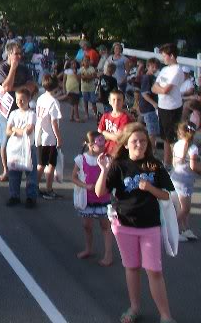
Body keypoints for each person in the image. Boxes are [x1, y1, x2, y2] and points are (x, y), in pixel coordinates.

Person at [96, 124, 175, 323]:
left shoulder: (154, 165)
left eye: (142, 141)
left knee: (154, 270)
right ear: (126, 144)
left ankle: (165, 315)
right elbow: (100, 192)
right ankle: (134, 308)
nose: (138, 144)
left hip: (150, 226)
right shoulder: (118, 165)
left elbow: (167, 195)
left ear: (148, 143)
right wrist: (104, 170)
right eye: (134, 141)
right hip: (124, 225)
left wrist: (150, 188)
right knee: (131, 268)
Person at [0, 40, 38, 183]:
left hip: (23, 109)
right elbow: (6, 87)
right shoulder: (1, 68)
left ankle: (23, 167)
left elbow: (32, 87)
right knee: (6, 141)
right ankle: (6, 170)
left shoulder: (25, 69)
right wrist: (13, 68)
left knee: (25, 140)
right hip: (6, 111)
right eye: (16, 54)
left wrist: (17, 88)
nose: (19, 57)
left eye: (21, 54)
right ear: (9, 54)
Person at [72, 131, 114, 266]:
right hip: (87, 198)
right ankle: (88, 248)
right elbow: (73, 177)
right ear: (90, 145)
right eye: (100, 145)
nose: (103, 148)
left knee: (105, 226)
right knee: (87, 225)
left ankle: (108, 255)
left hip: (103, 197)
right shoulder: (80, 159)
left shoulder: (106, 159)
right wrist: (85, 185)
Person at [151, 43, 184, 167]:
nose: (163, 58)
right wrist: (161, 88)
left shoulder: (177, 70)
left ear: (171, 56)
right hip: (162, 106)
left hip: (172, 108)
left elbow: (166, 90)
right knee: (165, 137)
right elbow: (154, 87)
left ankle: (176, 164)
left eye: (164, 56)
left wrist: (161, 88)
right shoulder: (165, 70)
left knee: (172, 139)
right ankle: (167, 163)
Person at [5, 87, 38, 208]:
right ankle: (14, 195)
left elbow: (28, 131)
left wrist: (14, 129)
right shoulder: (13, 113)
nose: (20, 102)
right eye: (18, 100)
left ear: (28, 99)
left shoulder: (31, 114)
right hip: (15, 147)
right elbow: (7, 131)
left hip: (28, 147)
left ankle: (31, 197)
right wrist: (16, 130)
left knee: (30, 173)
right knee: (14, 172)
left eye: (22, 100)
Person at [170, 121, 200, 242]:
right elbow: (193, 166)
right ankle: (173, 230)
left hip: (176, 177)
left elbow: (173, 162)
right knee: (185, 208)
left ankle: (185, 228)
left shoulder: (177, 144)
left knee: (180, 207)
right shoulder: (193, 148)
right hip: (185, 180)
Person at [36, 74, 63, 200]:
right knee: (51, 164)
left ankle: (34, 186)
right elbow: (54, 123)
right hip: (50, 137)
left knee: (41, 163)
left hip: (40, 134)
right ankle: (48, 189)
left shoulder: (41, 98)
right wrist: (59, 137)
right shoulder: (54, 102)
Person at [99, 90, 131, 156]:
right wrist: (109, 135)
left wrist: (104, 132)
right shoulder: (105, 116)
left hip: (118, 151)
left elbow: (118, 138)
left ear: (123, 102)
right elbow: (99, 132)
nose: (116, 102)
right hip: (105, 149)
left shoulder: (125, 118)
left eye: (119, 100)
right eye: (113, 99)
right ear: (109, 101)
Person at [138, 58, 160, 150]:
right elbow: (144, 93)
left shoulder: (152, 77)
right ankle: (152, 151)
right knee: (152, 132)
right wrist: (154, 103)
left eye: (156, 67)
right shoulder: (147, 77)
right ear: (148, 67)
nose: (155, 69)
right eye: (153, 67)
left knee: (141, 127)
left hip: (145, 107)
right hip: (149, 107)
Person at [79, 57, 98, 121]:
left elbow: (94, 76)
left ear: (89, 62)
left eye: (87, 61)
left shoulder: (92, 68)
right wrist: (89, 76)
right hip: (84, 88)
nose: (86, 62)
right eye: (85, 61)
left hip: (91, 88)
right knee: (85, 101)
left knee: (93, 101)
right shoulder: (81, 69)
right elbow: (81, 77)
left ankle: (95, 113)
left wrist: (86, 76)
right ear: (82, 62)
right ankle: (86, 113)